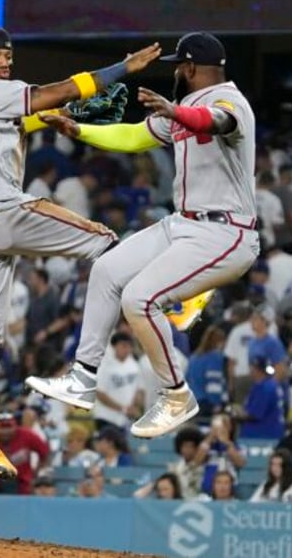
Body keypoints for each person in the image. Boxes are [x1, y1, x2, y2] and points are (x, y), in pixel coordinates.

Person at [0, 24, 160, 479]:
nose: (2, 62)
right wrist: (123, 69)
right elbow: (64, 88)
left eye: (7, 55)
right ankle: (173, 294)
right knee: (105, 241)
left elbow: (20, 115)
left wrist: (46, 116)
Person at [28, 31, 261, 441]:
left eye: (179, 65)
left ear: (190, 68)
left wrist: (175, 112)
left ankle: (175, 395)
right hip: (186, 223)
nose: (177, 71)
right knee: (106, 269)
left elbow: (218, 121)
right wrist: (79, 131)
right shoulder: (185, 105)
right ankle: (83, 376)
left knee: (140, 299)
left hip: (227, 233)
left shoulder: (230, 100)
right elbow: (134, 135)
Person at [92, 332, 141, 431]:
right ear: (114, 346)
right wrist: (122, 409)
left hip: (125, 419)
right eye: (123, 346)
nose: (127, 349)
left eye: (129, 346)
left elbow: (137, 390)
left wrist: (134, 407)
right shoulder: (104, 366)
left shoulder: (134, 366)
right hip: (106, 417)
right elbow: (100, 393)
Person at [235, 356, 285, 440]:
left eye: (252, 367)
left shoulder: (265, 388)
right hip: (268, 434)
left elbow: (254, 414)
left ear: (256, 370)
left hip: (261, 437)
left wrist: (235, 413)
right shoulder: (268, 385)